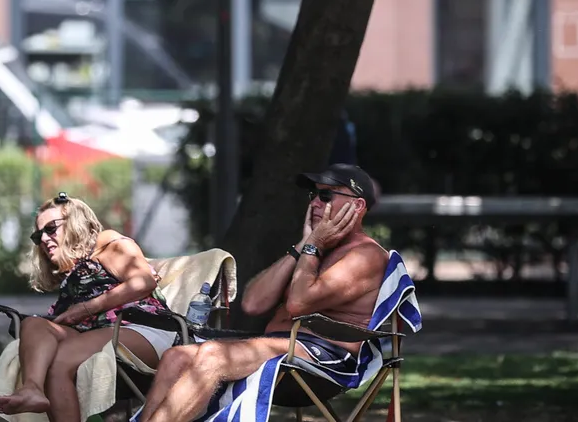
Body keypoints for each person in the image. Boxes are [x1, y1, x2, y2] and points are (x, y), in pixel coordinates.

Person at [133, 164, 389, 422]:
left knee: (212, 357)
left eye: (326, 195)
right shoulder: (314, 250)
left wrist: (314, 246)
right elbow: (253, 303)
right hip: (279, 349)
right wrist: (303, 246)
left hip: (323, 363)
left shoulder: (365, 255)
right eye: (313, 195)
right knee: (176, 357)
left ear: (357, 206)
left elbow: (298, 304)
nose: (315, 204)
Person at [0, 192, 177, 422]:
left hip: (143, 327)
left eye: (51, 228)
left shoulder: (106, 243)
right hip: (99, 334)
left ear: (76, 222)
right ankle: (32, 388)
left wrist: (85, 309)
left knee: (60, 359)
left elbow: (144, 282)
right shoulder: (73, 272)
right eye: (38, 234)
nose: (43, 239)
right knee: (34, 324)